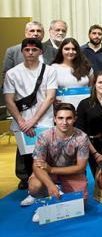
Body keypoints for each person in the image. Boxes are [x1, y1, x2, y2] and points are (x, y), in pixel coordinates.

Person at [4, 38, 57, 191]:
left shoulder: (49, 70)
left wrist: (33, 121)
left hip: (44, 121)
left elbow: (50, 97)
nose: (30, 53)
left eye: (34, 50)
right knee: (27, 158)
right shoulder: (12, 73)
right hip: (22, 123)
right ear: (22, 52)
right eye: (27, 50)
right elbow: (9, 100)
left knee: (44, 158)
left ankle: (48, 188)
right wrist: (22, 121)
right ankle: (32, 190)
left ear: (41, 51)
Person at [26, 103, 90, 223]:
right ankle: (44, 203)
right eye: (60, 118)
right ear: (55, 119)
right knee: (35, 186)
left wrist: (51, 169)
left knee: (82, 203)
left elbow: (81, 168)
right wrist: (50, 185)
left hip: (70, 172)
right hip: (47, 172)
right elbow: (36, 164)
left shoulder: (82, 137)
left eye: (69, 118)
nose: (64, 122)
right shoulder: (44, 137)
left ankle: (61, 192)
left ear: (75, 119)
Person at [51, 38, 92, 108]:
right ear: (61, 50)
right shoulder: (53, 68)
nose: (70, 52)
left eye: (74, 49)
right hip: (63, 109)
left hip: (85, 108)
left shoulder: (86, 66)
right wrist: (54, 100)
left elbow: (92, 86)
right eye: (67, 49)